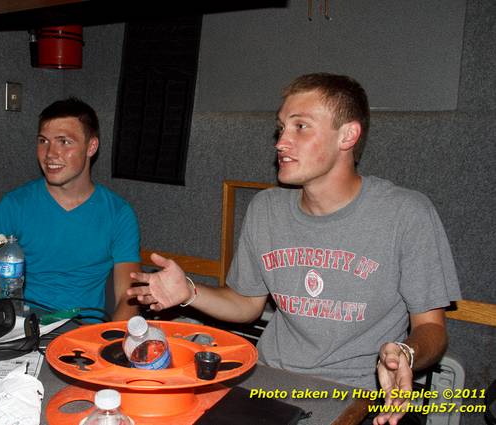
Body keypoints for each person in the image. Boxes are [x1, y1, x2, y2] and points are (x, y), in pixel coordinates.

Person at [128, 73, 461, 425]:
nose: (281, 142)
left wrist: (406, 354)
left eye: (301, 126)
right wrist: (189, 292)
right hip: (269, 384)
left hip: (359, 397)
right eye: (281, 127)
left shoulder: (407, 213)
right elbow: (246, 304)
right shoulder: (266, 209)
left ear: (347, 135)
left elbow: (433, 329)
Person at [0, 96, 140, 321]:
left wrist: (107, 344)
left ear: (91, 146)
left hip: (82, 339)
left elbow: (128, 298)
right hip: (22, 329)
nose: (50, 154)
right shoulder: (14, 205)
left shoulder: (118, 214)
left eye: (64, 142)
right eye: (43, 141)